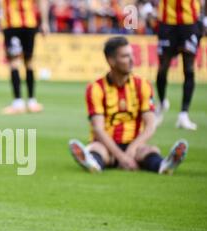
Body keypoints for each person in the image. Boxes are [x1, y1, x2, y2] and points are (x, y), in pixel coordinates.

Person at [69, 36, 188, 175]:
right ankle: (93, 162)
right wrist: (121, 156)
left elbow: (150, 125)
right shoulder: (95, 88)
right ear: (111, 61)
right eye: (125, 56)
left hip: (134, 144)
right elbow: (98, 129)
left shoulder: (142, 85)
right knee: (97, 149)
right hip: (107, 145)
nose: (132, 60)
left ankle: (164, 165)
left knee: (148, 151)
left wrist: (131, 150)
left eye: (132, 54)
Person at [155, 0, 206, 130]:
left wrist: (204, 18)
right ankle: (161, 103)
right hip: (167, 23)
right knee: (163, 68)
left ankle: (184, 114)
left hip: (190, 23)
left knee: (189, 68)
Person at [0, 0, 50, 115]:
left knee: (15, 62)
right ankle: (32, 102)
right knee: (29, 62)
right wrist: (45, 22)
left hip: (12, 25)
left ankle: (18, 103)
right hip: (29, 24)